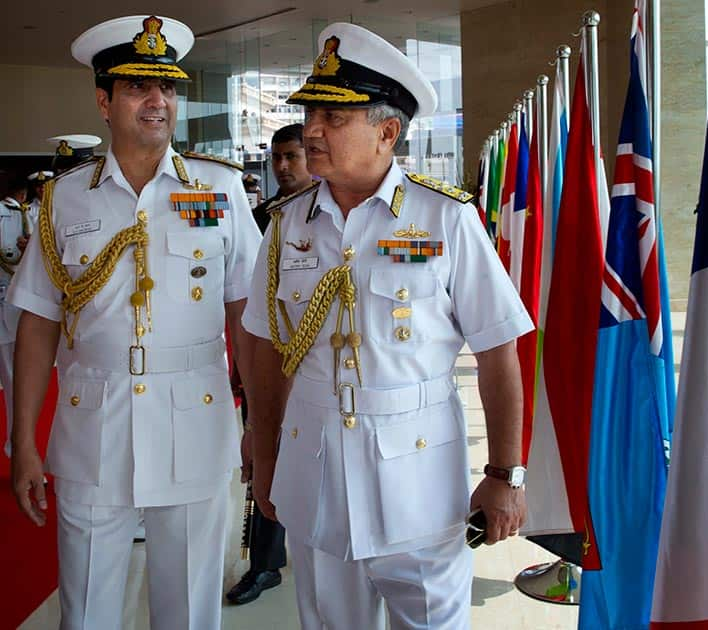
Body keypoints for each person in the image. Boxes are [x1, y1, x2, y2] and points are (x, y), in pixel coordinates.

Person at [241, 23, 533, 629]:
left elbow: (498, 352)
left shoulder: (445, 218)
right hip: (314, 472)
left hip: (419, 483)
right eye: (311, 114)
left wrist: (505, 473)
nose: (312, 130)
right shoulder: (286, 224)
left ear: (387, 132)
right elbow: (265, 348)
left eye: (334, 117)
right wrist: (262, 450)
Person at [7, 14, 262, 630]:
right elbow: (37, 324)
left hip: (195, 425)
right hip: (94, 427)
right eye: (137, 88)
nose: (158, 101)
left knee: (190, 613)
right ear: (104, 100)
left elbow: (247, 317)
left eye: (168, 87)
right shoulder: (64, 199)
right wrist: (22, 443)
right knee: (87, 609)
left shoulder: (220, 189)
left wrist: (260, 425)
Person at [226, 122, 311, 606]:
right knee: (262, 455)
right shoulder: (261, 219)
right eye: (277, 157)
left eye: (292, 156)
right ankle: (264, 563)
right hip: (266, 364)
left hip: (317, 369)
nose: (282, 167)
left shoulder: (335, 218)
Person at [0, 175, 33, 457]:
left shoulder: (22, 215)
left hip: (8, 303)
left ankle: (17, 448)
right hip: (7, 305)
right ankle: (16, 449)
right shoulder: (12, 214)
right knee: (13, 379)